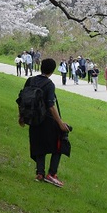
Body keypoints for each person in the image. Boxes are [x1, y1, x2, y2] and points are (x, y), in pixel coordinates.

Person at [22, 58, 71, 186]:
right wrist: (60, 123)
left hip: (33, 119)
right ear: (52, 70)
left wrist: (21, 116)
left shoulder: (30, 80)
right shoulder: (49, 84)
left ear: (41, 67)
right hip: (46, 120)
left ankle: (40, 173)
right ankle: (52, 174)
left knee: (39, 145)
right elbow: (50, 105)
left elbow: (23, 100)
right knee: (61, 140)